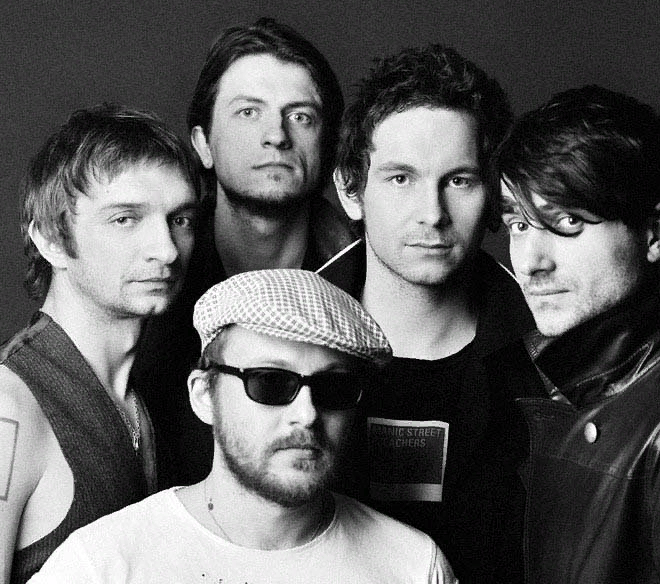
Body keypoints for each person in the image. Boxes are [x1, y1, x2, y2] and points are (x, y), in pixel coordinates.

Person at [29, 269, 456, 584]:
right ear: (204, 395)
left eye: (334, 388)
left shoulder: (412, 565)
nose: (307, 413)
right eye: (271, 383)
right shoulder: (103, 565)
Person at [319, 45, 532, 582]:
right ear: (350, 190)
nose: (432, 214)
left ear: (493, 196)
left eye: (459, 180)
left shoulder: (550, 353)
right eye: (401, 178)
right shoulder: (281, 346)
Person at [131, 17, 355, 488]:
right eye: (248, 112)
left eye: (301, 116)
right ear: (203, 145)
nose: (276, 135)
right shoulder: (147, 275)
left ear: (328, 147)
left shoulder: (370, 280)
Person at [493, 85, 660, 582]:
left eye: (567, 221)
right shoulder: (562, 380)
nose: (532, 263)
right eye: (519, 223)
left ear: (654, 234)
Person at [0, 104, 199, 583]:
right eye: (125, 219)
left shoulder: (145, 399)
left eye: (180, 220)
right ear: (51, 239)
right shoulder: (9, 405)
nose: (166, 250)